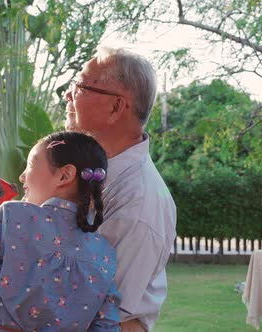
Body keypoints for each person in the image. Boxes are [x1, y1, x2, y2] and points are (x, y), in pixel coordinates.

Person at [0, 131, 121, 331]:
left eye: (29, 165)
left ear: (65, 175)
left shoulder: (11, 215)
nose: (21, 177)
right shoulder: (105, 253)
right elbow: (106, 327)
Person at [64, 47, 177, 332]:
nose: (67, 95)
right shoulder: (90, 173)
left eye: (79, 85)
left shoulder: (138, 202)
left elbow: (99, 312)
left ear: (116, 107)